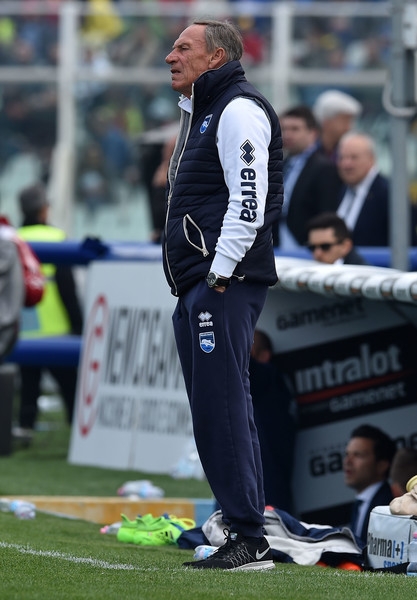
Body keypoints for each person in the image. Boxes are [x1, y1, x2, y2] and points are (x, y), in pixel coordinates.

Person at [163, 18, 282, 570]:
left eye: (183, 47)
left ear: (216, 57)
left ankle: (248, 536)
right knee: (215, 408)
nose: (170, 56)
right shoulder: (206, 110)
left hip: (221, 283)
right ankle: (239, 525)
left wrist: (219, 274)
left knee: (224, 407)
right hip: (201, 283)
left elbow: (248, 201)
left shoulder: (237, 110)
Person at [12, 183, 83, 444]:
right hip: (57, 332)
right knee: (70, 388)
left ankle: (24, 429)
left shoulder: (14, 239)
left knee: (28, 388)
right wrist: (78, 325)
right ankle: (77, 431)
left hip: (25, 330)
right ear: (43, 210)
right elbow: (67, 290)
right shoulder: (56, 238)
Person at [278, 105, 342, 248]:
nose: (287, 134)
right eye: (284, 129)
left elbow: (326, 213)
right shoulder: (281, 164)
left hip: (309, 247)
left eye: (295, 129)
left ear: (313, 133)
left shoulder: (325, 168)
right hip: (278, 245)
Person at [250, 329, 297, 514]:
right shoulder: (274, 385)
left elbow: (241, 364)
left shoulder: (269, 378)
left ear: (264, 356)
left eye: (248, 351)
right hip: (260, 490)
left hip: (266, 497)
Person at [343, 424, 396, 546]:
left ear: (382, 465)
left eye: (358, 455)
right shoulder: (360, 503)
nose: (347, 461)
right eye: (347, 454)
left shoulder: (389, 506)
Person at [336, 132, 389, 246]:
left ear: (371, 159)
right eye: (341, 158)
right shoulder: (343, 190)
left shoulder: (388, 194)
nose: (346, 164)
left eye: (354, 157)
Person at [312, 89, 362, 162]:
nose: (349, 127)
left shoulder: (349, 151)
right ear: (326, 121)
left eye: (350, 121)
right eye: (344, 120)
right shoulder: (307, 150)